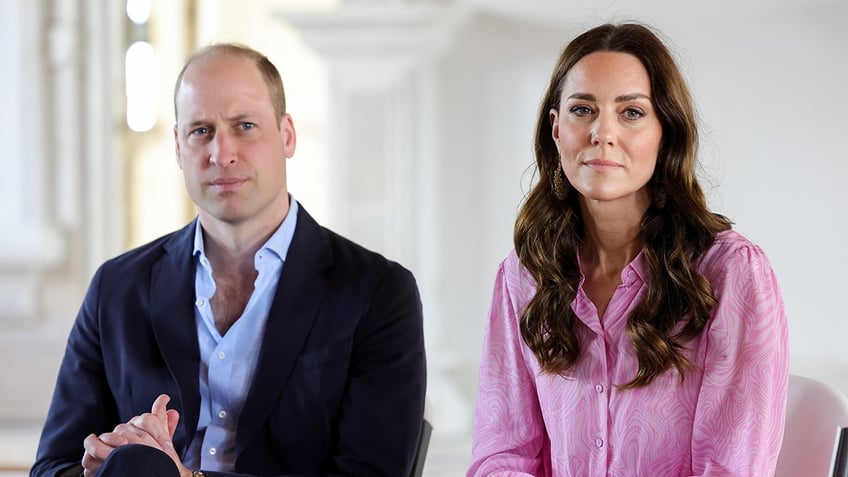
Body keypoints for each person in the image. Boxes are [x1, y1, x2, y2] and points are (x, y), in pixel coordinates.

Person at [31, 43, 427, 477]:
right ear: (179, 149)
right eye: (200, 130)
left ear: (287, 134)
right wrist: (102, 469)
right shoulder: (116, 286)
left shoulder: (377, 292)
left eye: (244, 125)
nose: (222, 153)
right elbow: (52, 466)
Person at [467, 23, 789, 476]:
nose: (602, 132)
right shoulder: (524, 275)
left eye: (631, 113)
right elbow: (501, 456)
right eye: (583, 109)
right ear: (556, 130)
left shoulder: (732, 273)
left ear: (666, 133)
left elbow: (730, 468)